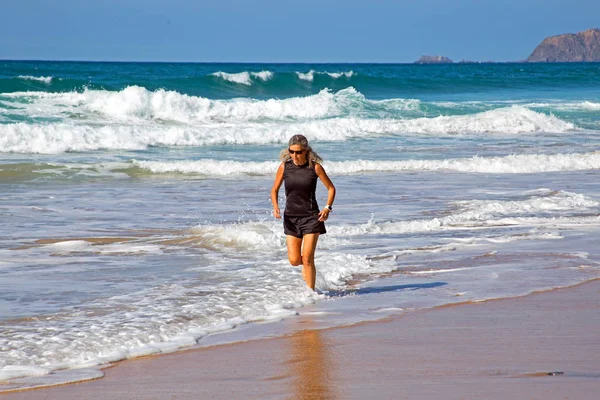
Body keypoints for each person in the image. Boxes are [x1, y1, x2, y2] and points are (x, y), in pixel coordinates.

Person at [270, 135, 336, 290]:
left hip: (312, 218)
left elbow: (331, 188)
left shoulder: (315, 167)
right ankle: (309, 268)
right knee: (294, 260)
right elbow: (274, 189)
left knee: (307, 258)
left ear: (306, 151)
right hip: (291, 218)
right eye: (291, 151)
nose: (294, 155)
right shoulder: (284, 167)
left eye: (298, 152)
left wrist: (327, 207)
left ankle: (310, 295)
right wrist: (275, 206)